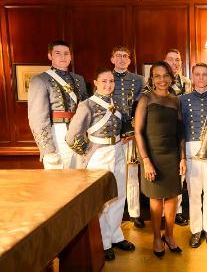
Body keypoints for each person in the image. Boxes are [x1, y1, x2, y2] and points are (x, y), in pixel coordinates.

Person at [65, 68, 135, 261]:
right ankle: (104, 242)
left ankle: (115, 235)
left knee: (119, 195)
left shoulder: (117, 103)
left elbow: (123, 127)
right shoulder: (87, 105)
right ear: (95, 82)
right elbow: (72, 137)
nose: (108, 85)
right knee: (103, 200)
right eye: (103, 81)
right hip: (99, 156)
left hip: (118, 151)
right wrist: (89, 151)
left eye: (111, 81)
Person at [134, 61, 186, 257]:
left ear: (171, 77)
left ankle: (170, 235)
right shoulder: (145, 100)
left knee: (173, 196)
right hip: (152, 155)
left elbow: (180, 131)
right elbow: (138, 132)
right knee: (156, 199)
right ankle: (157, 238)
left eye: (165, 75)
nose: (162, 79)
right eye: (157, 76)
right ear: (152, 79)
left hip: (172, 154)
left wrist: (182, 157)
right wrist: (146, 160)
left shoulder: (175, 100)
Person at [180, 63, 207, 248]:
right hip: (191, 147)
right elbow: (180, 129)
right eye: (197, 74)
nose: (200, 78)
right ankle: (196, 230)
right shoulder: (182, 99)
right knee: (194, 192)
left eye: (204, 74)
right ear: (193, 76)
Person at [28, 39, 88, 169]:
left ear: (71, 56)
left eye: (66, 53)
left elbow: (86, 110)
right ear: (50, 56)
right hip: (57, 133)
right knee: (58, 182)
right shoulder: (40, 80)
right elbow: (37, 118)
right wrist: (48, 149)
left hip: (79, 132)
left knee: (81, 180)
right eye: (58, 53)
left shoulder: (79, 79)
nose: (63, 57)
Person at [110, 46, 145, 229]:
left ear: (130, 60)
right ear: (112, 59)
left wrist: (132, 131)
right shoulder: (106, 78)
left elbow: (141, 106)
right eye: (118, 56)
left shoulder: (138, 80)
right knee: (114, 174)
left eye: (125, 56)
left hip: (131, 133)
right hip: (111, 134)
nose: (122, 59)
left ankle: (135, 212)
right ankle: (115, 213)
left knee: (132, 174)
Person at [164, 48, 190, 226]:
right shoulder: (159, 81)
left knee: (180, 174)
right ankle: (163, 213)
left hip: (182, 130)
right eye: (171, 60)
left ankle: (177, 211)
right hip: (164, 133)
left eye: (177, 60)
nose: (174, 63)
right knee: (165, 173)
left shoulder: (187, 82)